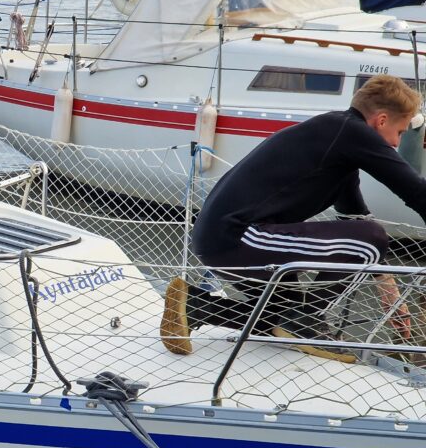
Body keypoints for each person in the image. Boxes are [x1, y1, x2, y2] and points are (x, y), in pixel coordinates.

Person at [161, 75, 426, 361]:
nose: (397, 143)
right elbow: (414, 192)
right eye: (400, 132)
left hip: (217, 240)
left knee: (282, 317)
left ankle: (197, 307)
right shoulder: (351, 132)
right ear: (382, 120)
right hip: (239, 238)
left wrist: (389, 290)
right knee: (374, 236)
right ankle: (308, 321)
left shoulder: (337, 140)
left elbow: (355, 216)